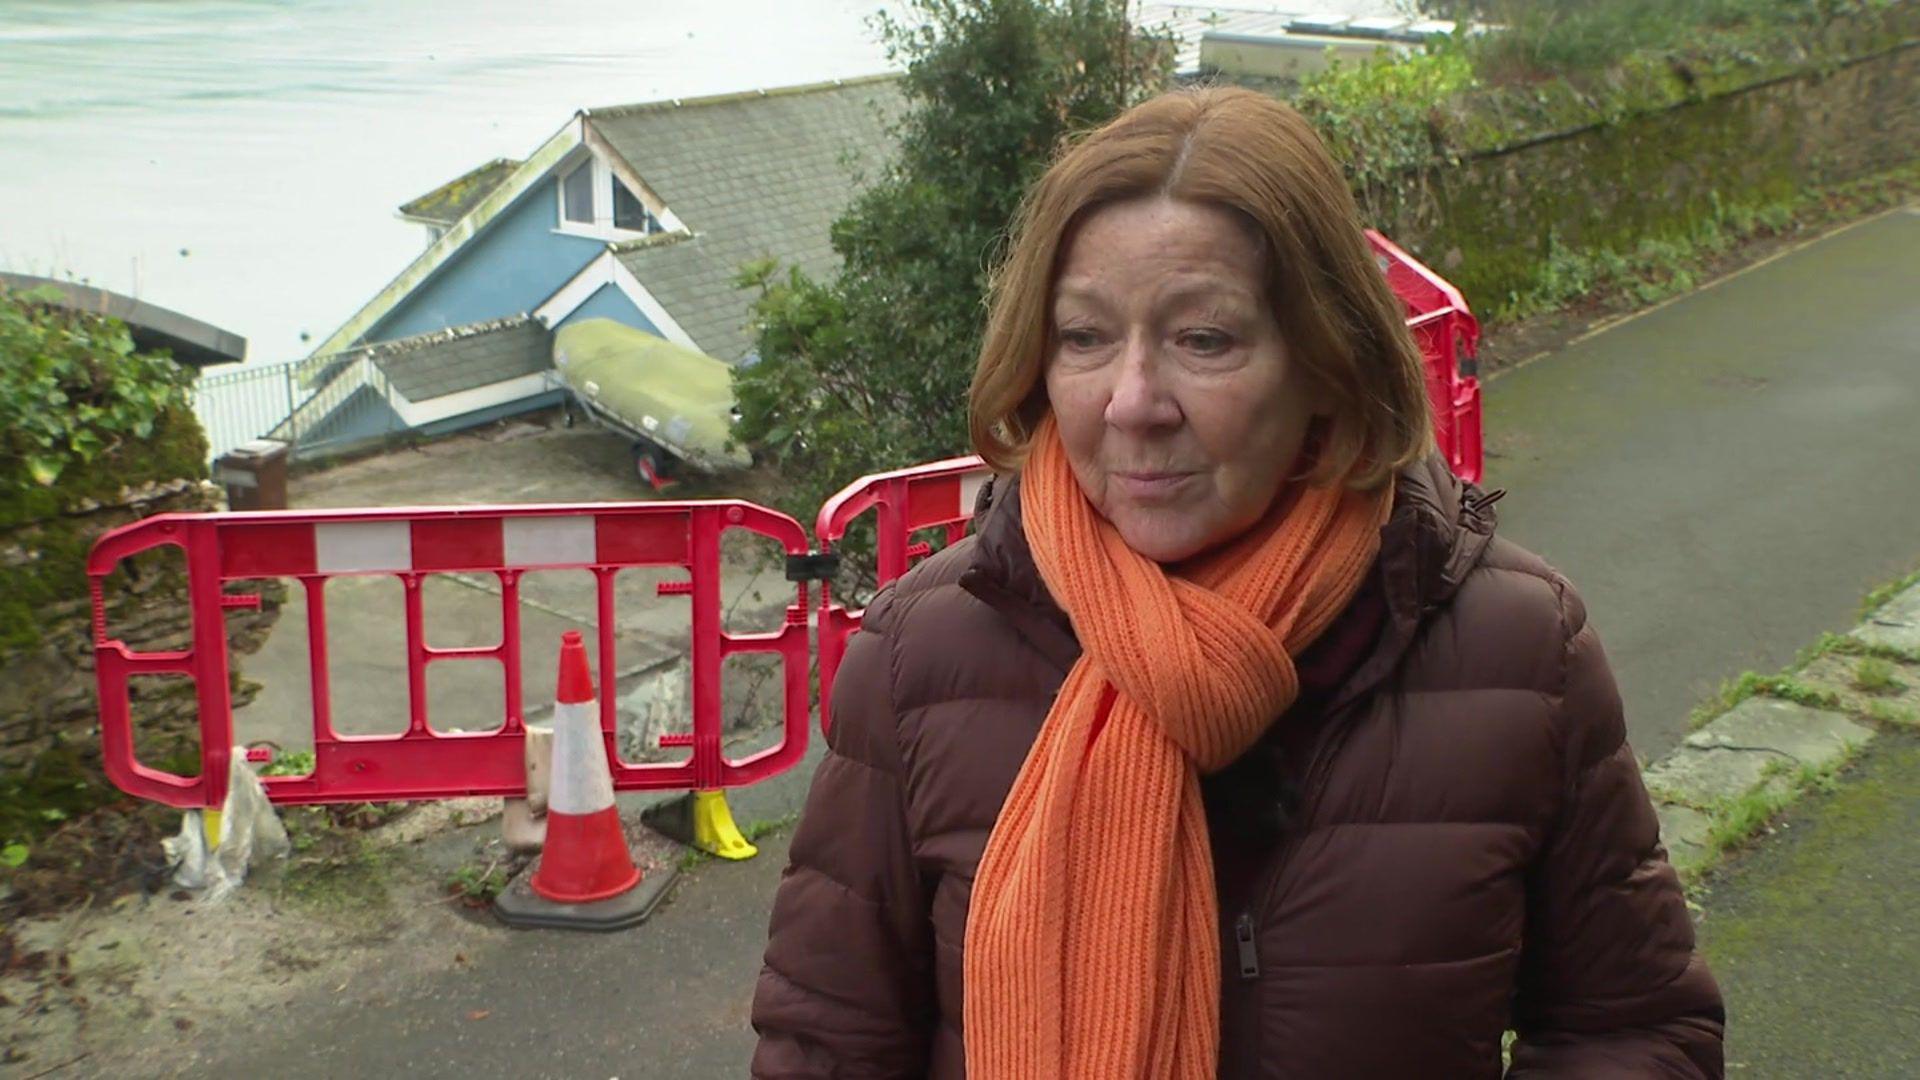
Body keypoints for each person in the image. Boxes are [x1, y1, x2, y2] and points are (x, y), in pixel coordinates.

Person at [750, 86, 1724, 1078]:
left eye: (1202, 339)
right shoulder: (923, 653)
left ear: (1327, 358)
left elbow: (1634, 1027)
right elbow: (826, 1049)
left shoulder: (1517, 649)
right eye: (1083, 338)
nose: (1132, 403)